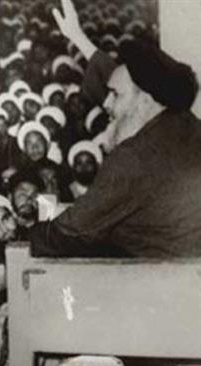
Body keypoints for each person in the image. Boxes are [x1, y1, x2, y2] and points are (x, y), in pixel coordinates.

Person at [30, 0, 201, 257]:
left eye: (114, 95)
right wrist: (78, 38)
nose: (106, 103)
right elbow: (125, 82)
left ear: (145, 99)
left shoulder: (133, 158)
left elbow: (66, 234)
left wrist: (32, 234)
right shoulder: (185, 123)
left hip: (152, 285)